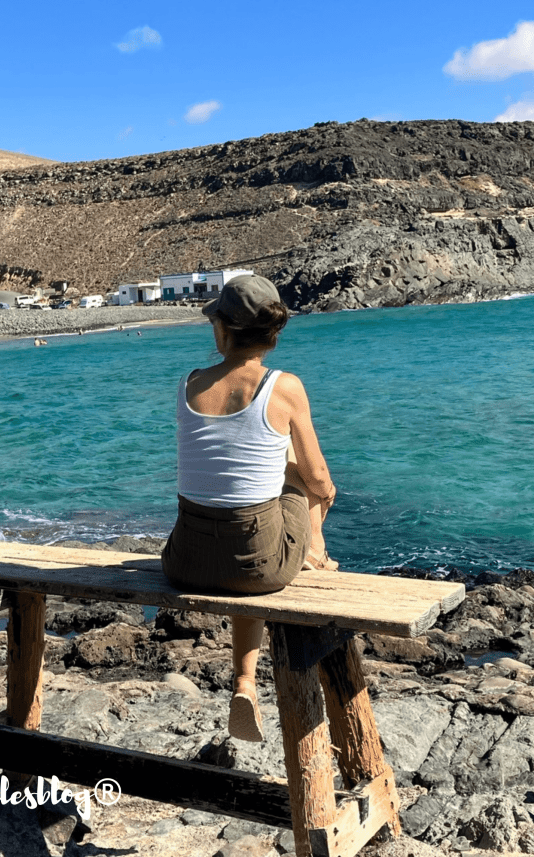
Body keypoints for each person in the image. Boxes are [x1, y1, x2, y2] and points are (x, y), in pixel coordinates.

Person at [160, 274, 338, 742]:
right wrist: (322, 495)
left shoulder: (189, 384)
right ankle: (316, 553)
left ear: (221, 329)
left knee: (245, 525)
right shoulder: (284, 386)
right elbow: (318, 477)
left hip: (184, 563)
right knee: (297, 473)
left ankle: (245, 681)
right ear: (273, 334)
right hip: (260, 568)